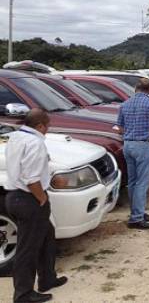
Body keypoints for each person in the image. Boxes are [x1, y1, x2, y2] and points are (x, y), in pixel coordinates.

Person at [5, 109, 68, 303]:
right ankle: (23, 294)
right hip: (28, 199)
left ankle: (47, 278)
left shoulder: (15, 136)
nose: (48, 130)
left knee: (47, 236)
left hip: (15, 196)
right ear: (40, 125)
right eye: (47, 126)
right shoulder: (36, 143)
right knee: (28, 249)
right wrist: (41, 198)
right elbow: (31, 178)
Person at [116, 78, 149, 230]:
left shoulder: (124, 104)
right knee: (142, 183)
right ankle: (136, 218)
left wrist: (130, 134)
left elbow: (120, 127)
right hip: (143, 146)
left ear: (135, 89)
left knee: (132, 182)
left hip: (128, 145)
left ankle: (137, 212)